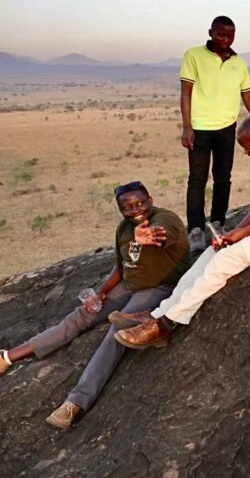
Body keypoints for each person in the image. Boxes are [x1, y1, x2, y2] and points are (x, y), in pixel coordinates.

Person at [113, 117, 250, 349]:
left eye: (248, 146)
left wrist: (245, 233)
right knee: (210, 254)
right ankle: (157, 314)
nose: (246, 152)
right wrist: (235, 232)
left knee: (225, 259)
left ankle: (166, 324)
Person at [0, 182, 189, 430]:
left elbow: (161, 232)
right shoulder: (124, 228)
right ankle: (7, 357)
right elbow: (120, 268)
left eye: (140, 203)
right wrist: (100, 294)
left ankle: (75, 403)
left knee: (117, 332)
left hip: (158, 287)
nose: (135, 210)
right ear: (121, 209)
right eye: (127, 207)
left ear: (150, 200)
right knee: (80, 317)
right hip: (129, 286)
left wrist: (148, 234)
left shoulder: (166, 219)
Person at [180, 15, 250, 254]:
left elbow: (247, 95)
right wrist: (187, 126)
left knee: (223, 177)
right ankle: (195, 229)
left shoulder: (239, 62)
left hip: (227, 127)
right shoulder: (193, 56)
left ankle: (217, 222)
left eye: (230, 35)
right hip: (200, 127)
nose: (226, 40)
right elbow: (186, 93)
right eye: (221, 34)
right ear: (210, 33)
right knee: (197, 179)